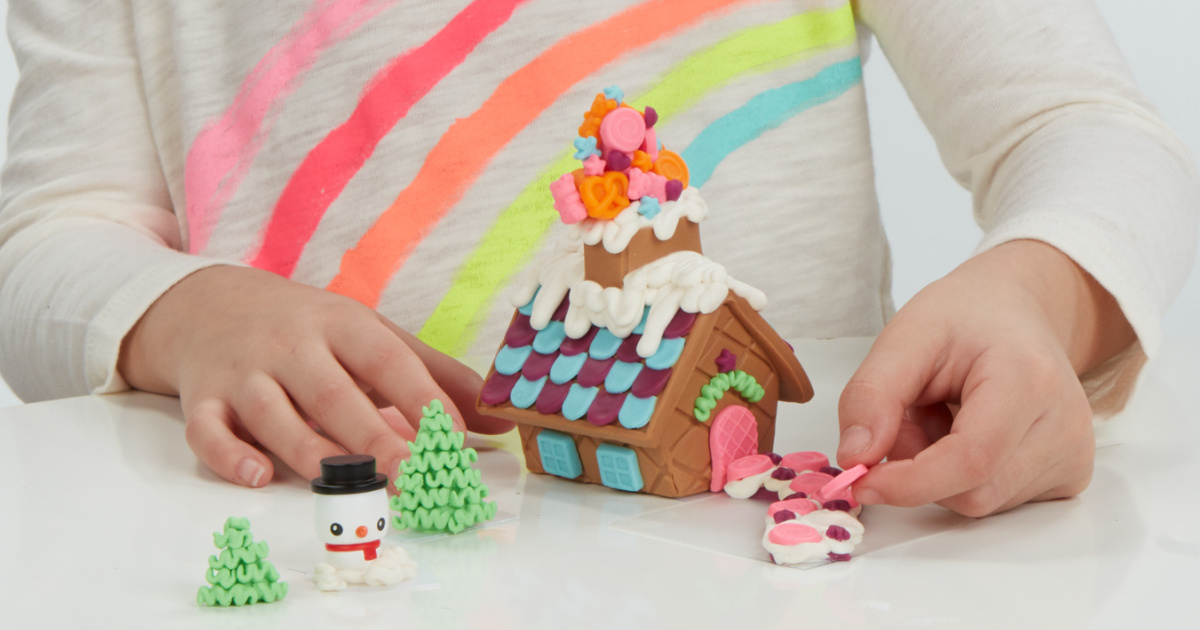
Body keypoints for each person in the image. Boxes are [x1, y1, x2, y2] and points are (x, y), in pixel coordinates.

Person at [0, 0, 1194, 517]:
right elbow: (49, 237)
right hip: (326, 553)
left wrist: (1043, 291)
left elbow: (1080, 130)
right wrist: (180, 311)